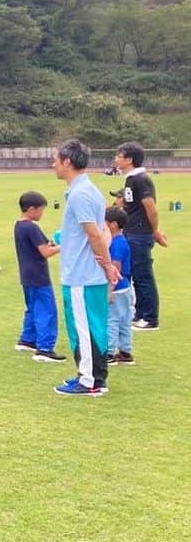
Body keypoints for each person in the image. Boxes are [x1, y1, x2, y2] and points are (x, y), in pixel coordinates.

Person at [51, 140, 121, 397]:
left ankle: (89, 380)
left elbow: (94, 234)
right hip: (87, 273)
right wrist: (107, 264)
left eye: (55, 159)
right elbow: (101, 231)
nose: (53, 164)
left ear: (67, 161)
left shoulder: (80, 194)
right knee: (94, 326)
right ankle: (94, 377)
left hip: (81, 275)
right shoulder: (89, 190)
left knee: (83, 327)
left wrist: (107, 264)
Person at [113, 142, 166, 331]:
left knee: (143, 276)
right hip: (131, 232)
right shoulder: (130, 179)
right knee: (135, 275)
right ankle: (140, 313)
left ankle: (150, 318)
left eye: (119, 156)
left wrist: (154, 231)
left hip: (140, 234)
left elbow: (151, 208)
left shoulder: (141, 180)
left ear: (129, 159)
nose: (116, 159)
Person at [12, 192, 66, 363]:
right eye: (41, 210)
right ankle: (44, 348)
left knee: (32, 307)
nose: (42, 213)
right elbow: (45, 252)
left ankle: (28, 339)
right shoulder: (31, 227)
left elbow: (43, 244)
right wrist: (64, 246)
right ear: (31, 209)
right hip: (38, 275)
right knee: (47, 310)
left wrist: (54, 243)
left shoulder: (19, 225)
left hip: (27, 274)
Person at [104, 207, 135, 366]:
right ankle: (125, 351)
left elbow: (115, 268)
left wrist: (110, 289)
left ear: (113, 225)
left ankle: (108, 352)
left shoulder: (117, 243)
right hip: (125, 287)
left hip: (117, 287)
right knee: (124, 320)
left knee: (111, 319)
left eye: (106, 223)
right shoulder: (121, 241)